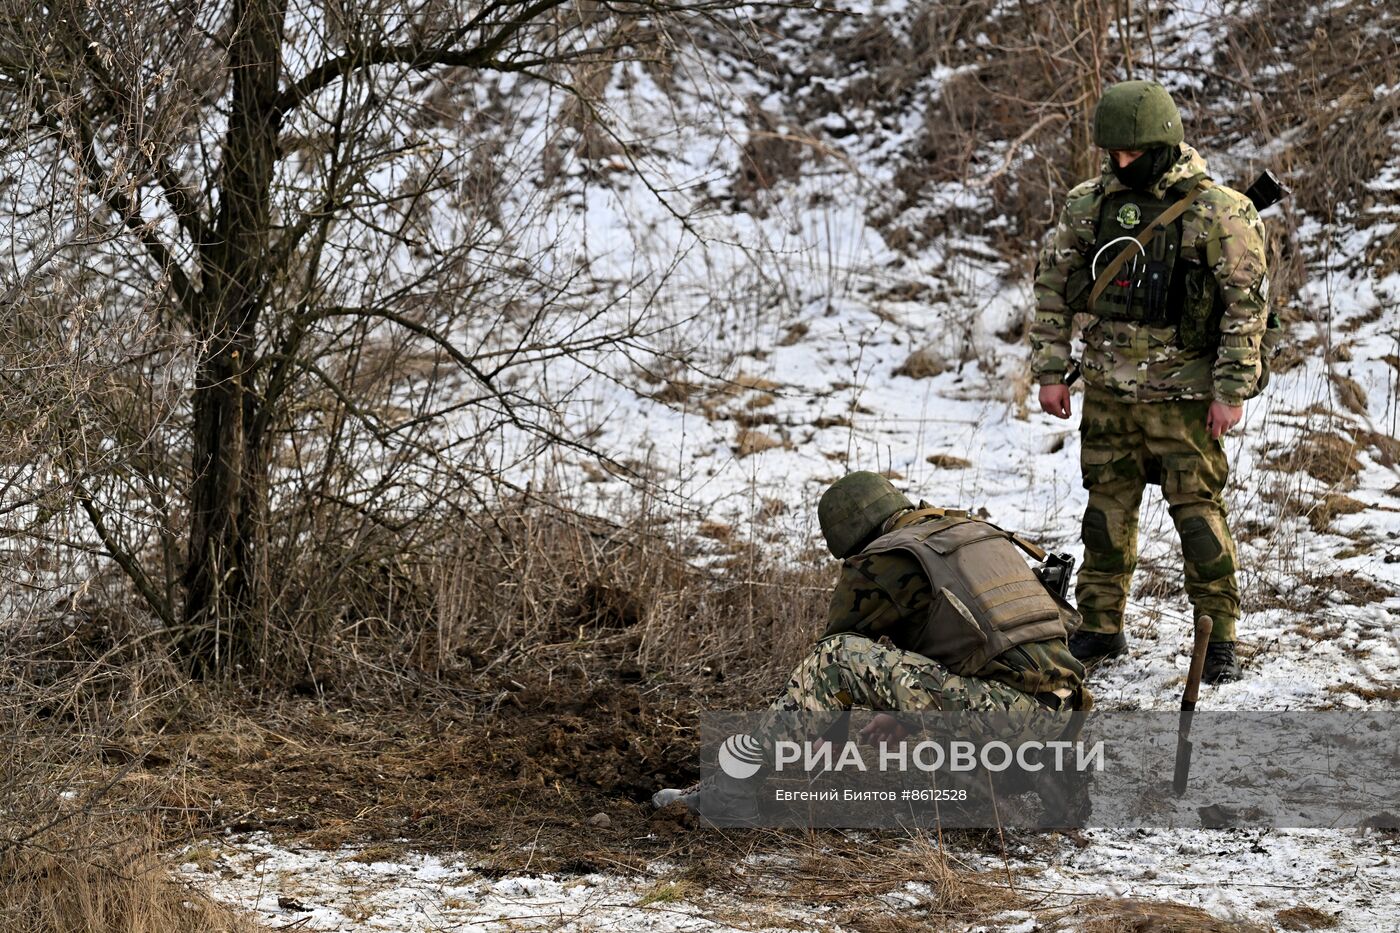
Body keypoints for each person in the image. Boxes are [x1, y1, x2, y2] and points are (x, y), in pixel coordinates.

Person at [652, 471, 1088, 819]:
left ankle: (728, 793)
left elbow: (834, 661)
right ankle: (1039, 775)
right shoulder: (971, 534)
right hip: (1063, 711)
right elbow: (981, 641)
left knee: (836, 660)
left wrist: (835, 731)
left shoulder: (882, 559)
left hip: (1002, 715)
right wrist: (905, 714)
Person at [1030, 80, 1270, 684]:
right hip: (1109, 393)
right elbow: (1053, 287)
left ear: (1162, 145)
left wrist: (1231, 391)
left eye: (1132, 154)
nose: (1120, 164)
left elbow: (1247, 308)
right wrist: (1051, 371)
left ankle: (1218, 638)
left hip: (1187, 398)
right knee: (1105, 513)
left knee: (1196, 513)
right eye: (1113, 153)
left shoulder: (1220, 210)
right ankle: (1100, 627)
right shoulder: (1088, 204)